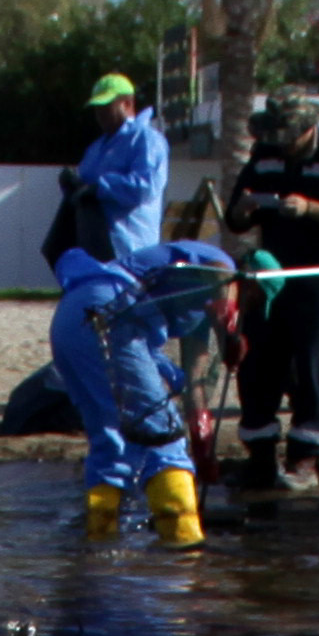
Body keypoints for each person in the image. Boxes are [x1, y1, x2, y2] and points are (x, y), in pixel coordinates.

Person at [51, 228, 232, 543]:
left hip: (72, 318)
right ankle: (184, 546)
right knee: (162, 436)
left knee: (110, 439)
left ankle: (101, 543)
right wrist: (228, 322)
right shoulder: (221, 268)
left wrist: (202, 437)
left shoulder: (196, 302)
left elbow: (195, 378)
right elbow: (222, 270)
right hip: (111, 311)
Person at [223, 89, 319, 489]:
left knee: (316, 368)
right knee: (258, 365)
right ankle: (261, 457)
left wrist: (309, 209)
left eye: (290, 135)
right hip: (270, 277)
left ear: (309, 126)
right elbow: (236, 216)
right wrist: (243, 209)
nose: (283, 143)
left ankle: (304, 460)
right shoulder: (264, 153)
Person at [51, 71, 169, 270]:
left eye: (107, 106)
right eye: (97, 108)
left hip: (130, 252)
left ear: (127, 104)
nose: (100, 113)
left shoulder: (146, 140)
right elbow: (85, 188)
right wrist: (72, 185)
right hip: (94, 249)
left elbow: (146, 187)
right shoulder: (96, 148)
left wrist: (100, 187)